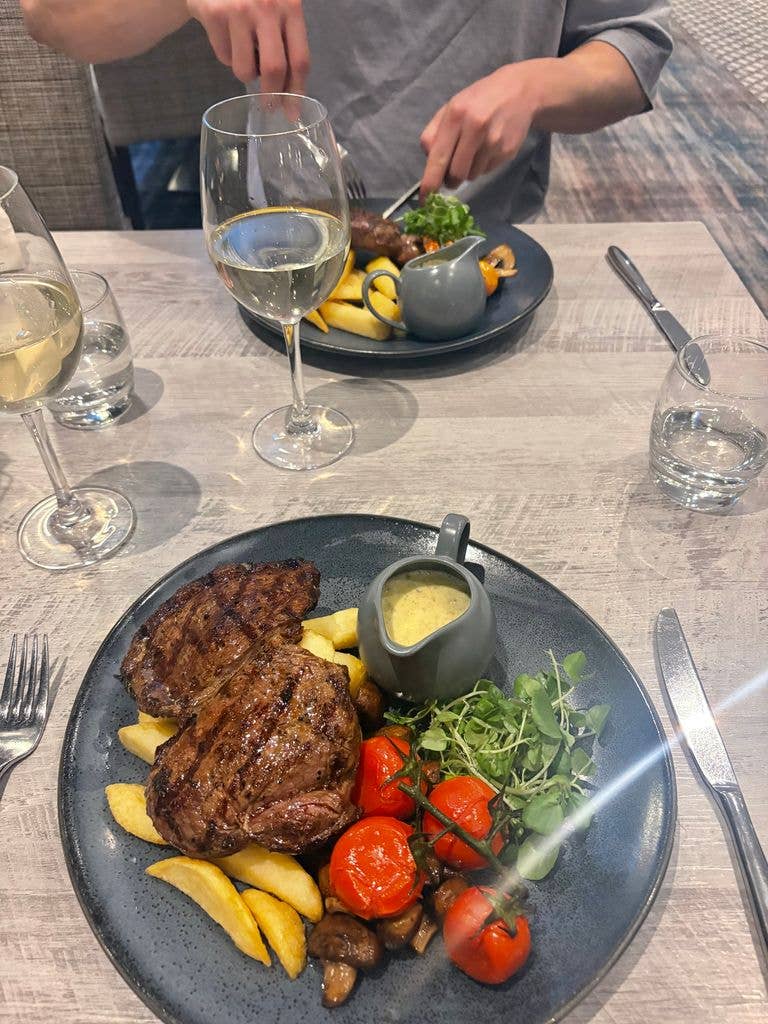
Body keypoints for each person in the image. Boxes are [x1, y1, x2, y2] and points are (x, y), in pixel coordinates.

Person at [22, 0, 672, 222]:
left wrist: (537, 84)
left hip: (490, 237)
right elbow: (53, 18)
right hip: (282, 233)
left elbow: (631, 46)